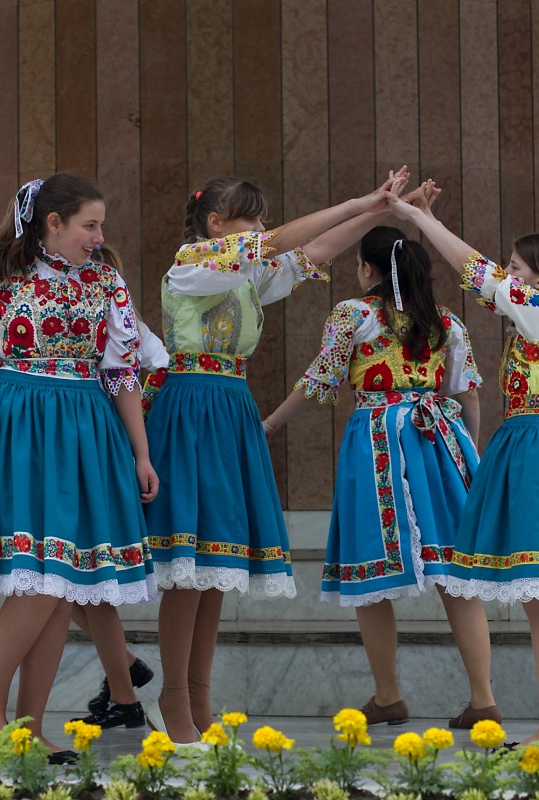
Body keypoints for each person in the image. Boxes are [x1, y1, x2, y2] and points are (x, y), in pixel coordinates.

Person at [0, 174, 157, 756]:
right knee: (41, 576)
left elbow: (122, 373)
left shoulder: (107, 281)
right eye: (90, 225)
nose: (99, 236)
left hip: (84, 429)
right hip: (19, 425)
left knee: (60, 582)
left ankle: (28, 726)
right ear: (53, 223)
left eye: (100, 224)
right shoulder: (2, 275)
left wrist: (141, 453)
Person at [143, 172, 404, 745]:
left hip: (229, 406)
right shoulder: (192, 263)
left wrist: (379, 210)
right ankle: (173, 697)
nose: (263, 229)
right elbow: (284, 242)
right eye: (252, 219)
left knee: (216, 563)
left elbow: (313, 252)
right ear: (217, 225)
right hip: (191, 407)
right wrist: (357, 198)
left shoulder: (244, 275)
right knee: (189, 566)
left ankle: (198, 695)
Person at [388, 182, 539, 744]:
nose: (507, 273)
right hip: (538, 443)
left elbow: (478, 272)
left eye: (516, 267)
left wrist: (423, 222)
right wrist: (425, 221)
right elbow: (485, 277)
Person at [262, 222, 499, 729]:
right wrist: (469, 458)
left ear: (368, 269)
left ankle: (388, 694)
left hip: (377, 441)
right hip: (440, 440)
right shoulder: (446, 321)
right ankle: (484, 699)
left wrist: (271, 423)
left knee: (369, 568)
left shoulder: (353, 314)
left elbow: (319, 380)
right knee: (456, 573)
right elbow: (469, 394)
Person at [67, 242, 162, 725]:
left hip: (101, 451)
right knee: (67, 576)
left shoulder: (129, 327)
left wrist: (138, 445)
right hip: (77, 446)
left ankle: (125, 688)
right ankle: (124, 679)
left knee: (81, 576)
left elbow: (154, 369)